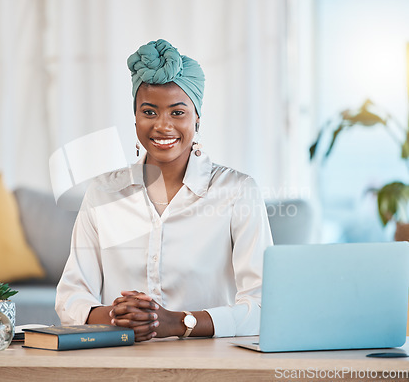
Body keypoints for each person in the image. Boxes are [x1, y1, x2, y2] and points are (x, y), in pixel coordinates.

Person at [55, 39, 273, 341]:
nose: (162, 125)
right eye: (149, 112)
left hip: (212, 364)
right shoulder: (102, 193)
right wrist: (120, 318)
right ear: (135, 119)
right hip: (119, 360)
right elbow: (70, 297)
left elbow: (263, 306)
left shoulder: (238, 191)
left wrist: (178, 322)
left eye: (177, 113)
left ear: (197, 118)